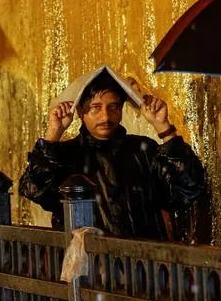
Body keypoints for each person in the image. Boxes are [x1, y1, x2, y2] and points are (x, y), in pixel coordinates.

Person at [19, 70, 206, 240]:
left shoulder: (143, 150)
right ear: (79, 111)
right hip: (86, 270)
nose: (106, 117)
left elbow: (188, 189)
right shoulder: (65, 155)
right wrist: (53, 133)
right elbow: (34, 190)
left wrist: (164, 128)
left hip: (143, 267)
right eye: (96, 107)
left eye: (113, 107)